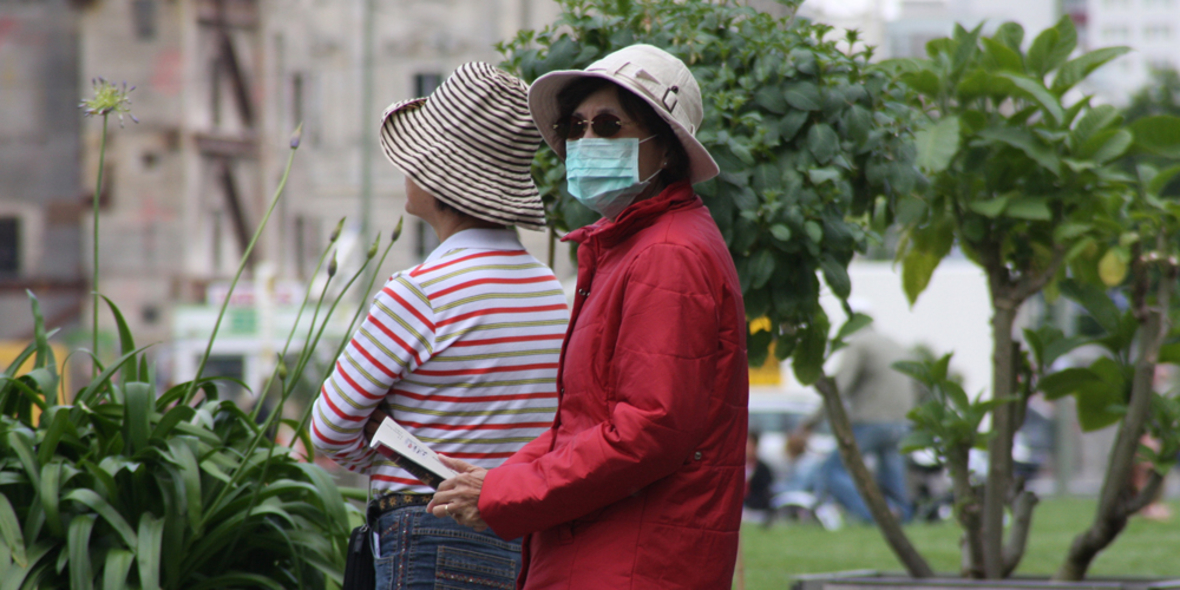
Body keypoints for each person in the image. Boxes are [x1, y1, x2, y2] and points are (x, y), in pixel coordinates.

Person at [425, 44, 749, 589]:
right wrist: (501, 480)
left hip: (631, 562)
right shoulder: (632, 247)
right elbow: (587, 422)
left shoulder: (667, 253)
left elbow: (648, 428)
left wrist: (505, 492)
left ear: (665, 148)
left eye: (608, 124)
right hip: (611, 553)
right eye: (576, 127)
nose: (586, 141)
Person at [310, 62, 569, 590]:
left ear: (436, 179)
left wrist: (390, 446)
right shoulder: (552, 293)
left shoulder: (419, 292)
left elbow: (328, 426)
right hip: (523, 536)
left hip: (426, 532)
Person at [789, 324, 917, 523]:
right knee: (894, 478)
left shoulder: (859, 343)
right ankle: (902, 518)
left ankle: (877, 517)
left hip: (871, 421)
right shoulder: (894, 344)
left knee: (832, 471)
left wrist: (810, 422)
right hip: (901, 424)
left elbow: (839, 387)